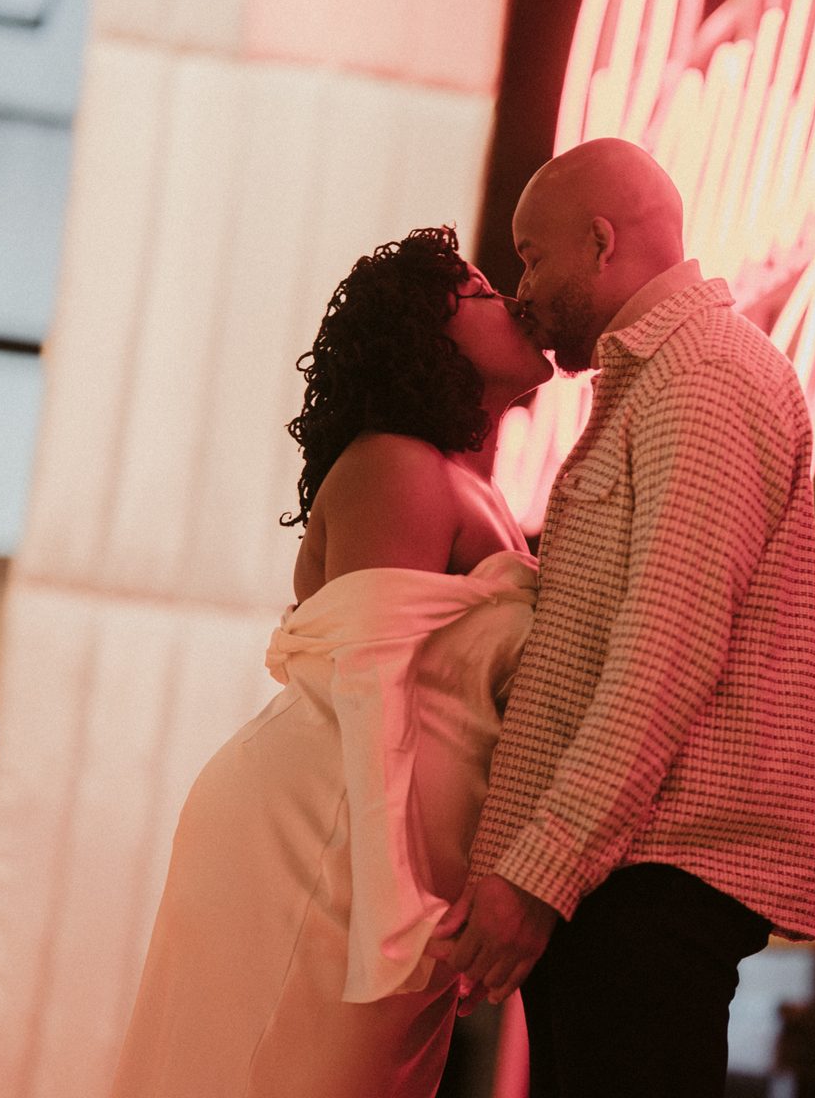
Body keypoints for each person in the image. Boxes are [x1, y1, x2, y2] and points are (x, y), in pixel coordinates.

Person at [107, 226, 552, 1098]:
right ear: (428, 339)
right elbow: (373, 685)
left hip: (386, 860)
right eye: (482, 294)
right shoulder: (398, 466)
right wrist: (397, 914)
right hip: (323, 838)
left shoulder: (473, 487)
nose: (515, 302)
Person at [428, 139, 815, 1097]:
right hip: (617, 876)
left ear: (600, 242)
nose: (522, 290)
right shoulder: (663, 380)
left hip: (648, 880)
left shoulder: (707, 380)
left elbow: (665, 655)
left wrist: (538, 873)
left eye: (532, 256)